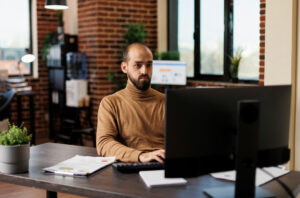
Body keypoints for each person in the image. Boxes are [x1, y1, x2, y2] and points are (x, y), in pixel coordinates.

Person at [96, 43, 165, 163]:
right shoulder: (110, 103)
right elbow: (104, 143)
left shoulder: (166, 102)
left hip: (165, 166)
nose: (144, 71)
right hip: (131, 167)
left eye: (149, 65)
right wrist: (141, 156)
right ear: (124, 68)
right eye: (137, 65)